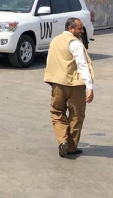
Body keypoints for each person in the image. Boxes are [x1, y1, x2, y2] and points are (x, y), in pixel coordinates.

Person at [44, 17, 95, 157]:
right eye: (79, 28)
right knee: (76, 115)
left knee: (57, 113)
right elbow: (82, 65)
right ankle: (71, 147)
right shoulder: (75, 43)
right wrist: (89, 87)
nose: (81, 31)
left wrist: (52, 80)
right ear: (70, 28)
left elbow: (50, 61)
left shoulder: (55, 41)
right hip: (75, 86)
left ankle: (62, 141)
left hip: (57, 84)